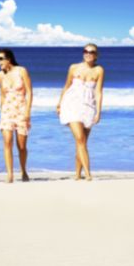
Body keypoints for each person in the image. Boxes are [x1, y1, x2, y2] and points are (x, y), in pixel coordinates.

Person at [57, 43, 104, 181]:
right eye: (86, 51)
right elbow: (66, 86)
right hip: (71, 105)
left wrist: (98, 112)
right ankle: (88, 174)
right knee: (80, 139)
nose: (88, 53)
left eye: (92, 51)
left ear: (96, 55)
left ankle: (77, 174)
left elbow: (98, 92)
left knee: (82, 142)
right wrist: (59, 104)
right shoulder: (73, 67)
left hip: (88, 107)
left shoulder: (99, 70)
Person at [0, 48, 33, 183]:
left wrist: (28, 111)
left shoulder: (21, 71)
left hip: (21, 109)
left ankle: (23, 170)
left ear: (8, 59)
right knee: (7, 142)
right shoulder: (0, 75)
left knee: (21, 146)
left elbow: (29, 91)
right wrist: (2, 111)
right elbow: (2, 94)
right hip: (7, 111)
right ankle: (10, 174)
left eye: (0, 58)